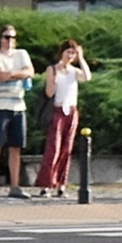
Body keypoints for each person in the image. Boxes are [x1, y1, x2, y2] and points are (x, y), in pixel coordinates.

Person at [0, 25, 34, 197]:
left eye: (13, 37)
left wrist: (13, 73)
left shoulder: (22, 54)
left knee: (16, 147)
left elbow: (31, 71)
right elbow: (1, 75)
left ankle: (15, 186)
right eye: (6, 37)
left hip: (18, 106)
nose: (10, 40)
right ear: (0, 38)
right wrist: (20, 73)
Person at [36, 40, 91, 194]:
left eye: (73, 53)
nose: (70, 55)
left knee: (67, 149)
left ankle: (61, 184)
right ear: (62, 52)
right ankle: (46, 184)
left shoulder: (74, 71)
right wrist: (52, 81)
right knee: (53, 148)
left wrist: (81, 58)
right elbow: (49, 93)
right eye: (68, 52)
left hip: (71, 112)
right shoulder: (53, 69)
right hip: (57, 111)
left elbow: (87, 77)